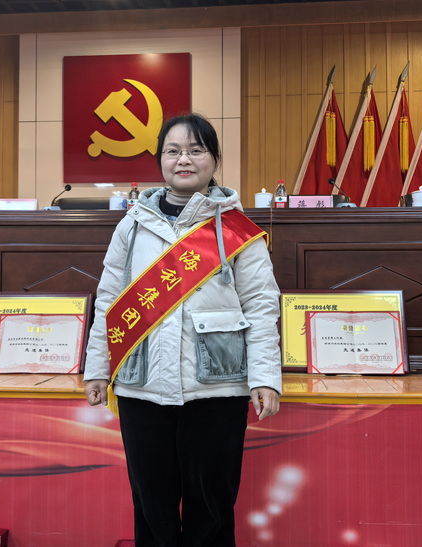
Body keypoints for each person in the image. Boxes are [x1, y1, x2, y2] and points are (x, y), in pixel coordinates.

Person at [84, 113, 282, 547]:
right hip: (141, 387)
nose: (184, 160)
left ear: (214, 159)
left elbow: (262, 307)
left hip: (217, 388)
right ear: (160, 159)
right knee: (151, 510)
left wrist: (265, 377)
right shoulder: (132, 224)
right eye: (173, 151)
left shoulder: (238, 230)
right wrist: (97, 368)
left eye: (196, 150)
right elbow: (109, 302)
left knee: (211, 510)